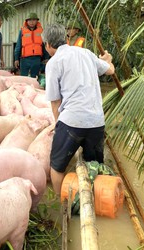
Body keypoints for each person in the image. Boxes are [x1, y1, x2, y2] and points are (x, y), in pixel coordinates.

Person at [41, 23, 115, 196]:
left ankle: (62, 204)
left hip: (71, 122)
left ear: (48, 45)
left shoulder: (53, 63)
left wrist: (58, 125)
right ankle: (99, 198)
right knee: (95, 166)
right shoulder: (86, 53)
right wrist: (108, 60)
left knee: (57, 166)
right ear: (66, 39)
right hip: (96, 122)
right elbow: (110, 70)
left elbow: (55, 101)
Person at [14, 13, 47, 78]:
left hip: (36, 59)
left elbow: (44, 45)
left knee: (35, 78)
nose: (32, 22)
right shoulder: (22, 31)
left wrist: (46, 58)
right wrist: (16, 59)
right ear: (27, 21)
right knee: (23, 78)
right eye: (30, 20)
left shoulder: (41, 31)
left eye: (34, 20)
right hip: (24, 59)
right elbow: (18, 46)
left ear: (37, 21)